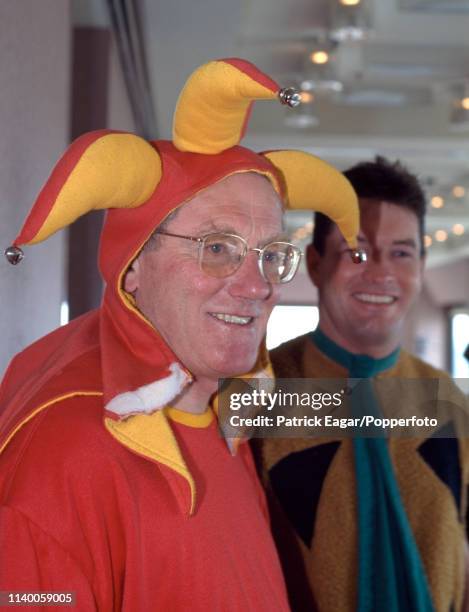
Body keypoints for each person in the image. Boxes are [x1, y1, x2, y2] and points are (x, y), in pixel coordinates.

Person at [0, 59, 362, 611]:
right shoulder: (65, 456)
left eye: (270, 256)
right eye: (217, 248)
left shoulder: (224, 419)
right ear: (132, 266)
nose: (256, 286)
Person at [259, 157, 469, 612]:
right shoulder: (262, 393)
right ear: (315, 264)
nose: (380, 271)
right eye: (356, 251)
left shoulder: (444, 399)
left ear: (422, 265)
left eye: (401, 252)